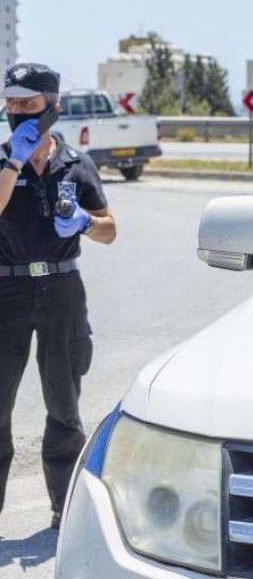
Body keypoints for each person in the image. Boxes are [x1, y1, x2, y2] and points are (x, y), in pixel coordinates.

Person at [0, 63, 116, 529]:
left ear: (52, 108)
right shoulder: (2, 159)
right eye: (10, 102)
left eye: (27, 103)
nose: (16, 111)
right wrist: (12, 163)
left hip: (63, 290)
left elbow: (110, 229)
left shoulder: (76, 163)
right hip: (7, 289)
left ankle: (62, 508)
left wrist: (85, 224)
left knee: (64, 408)